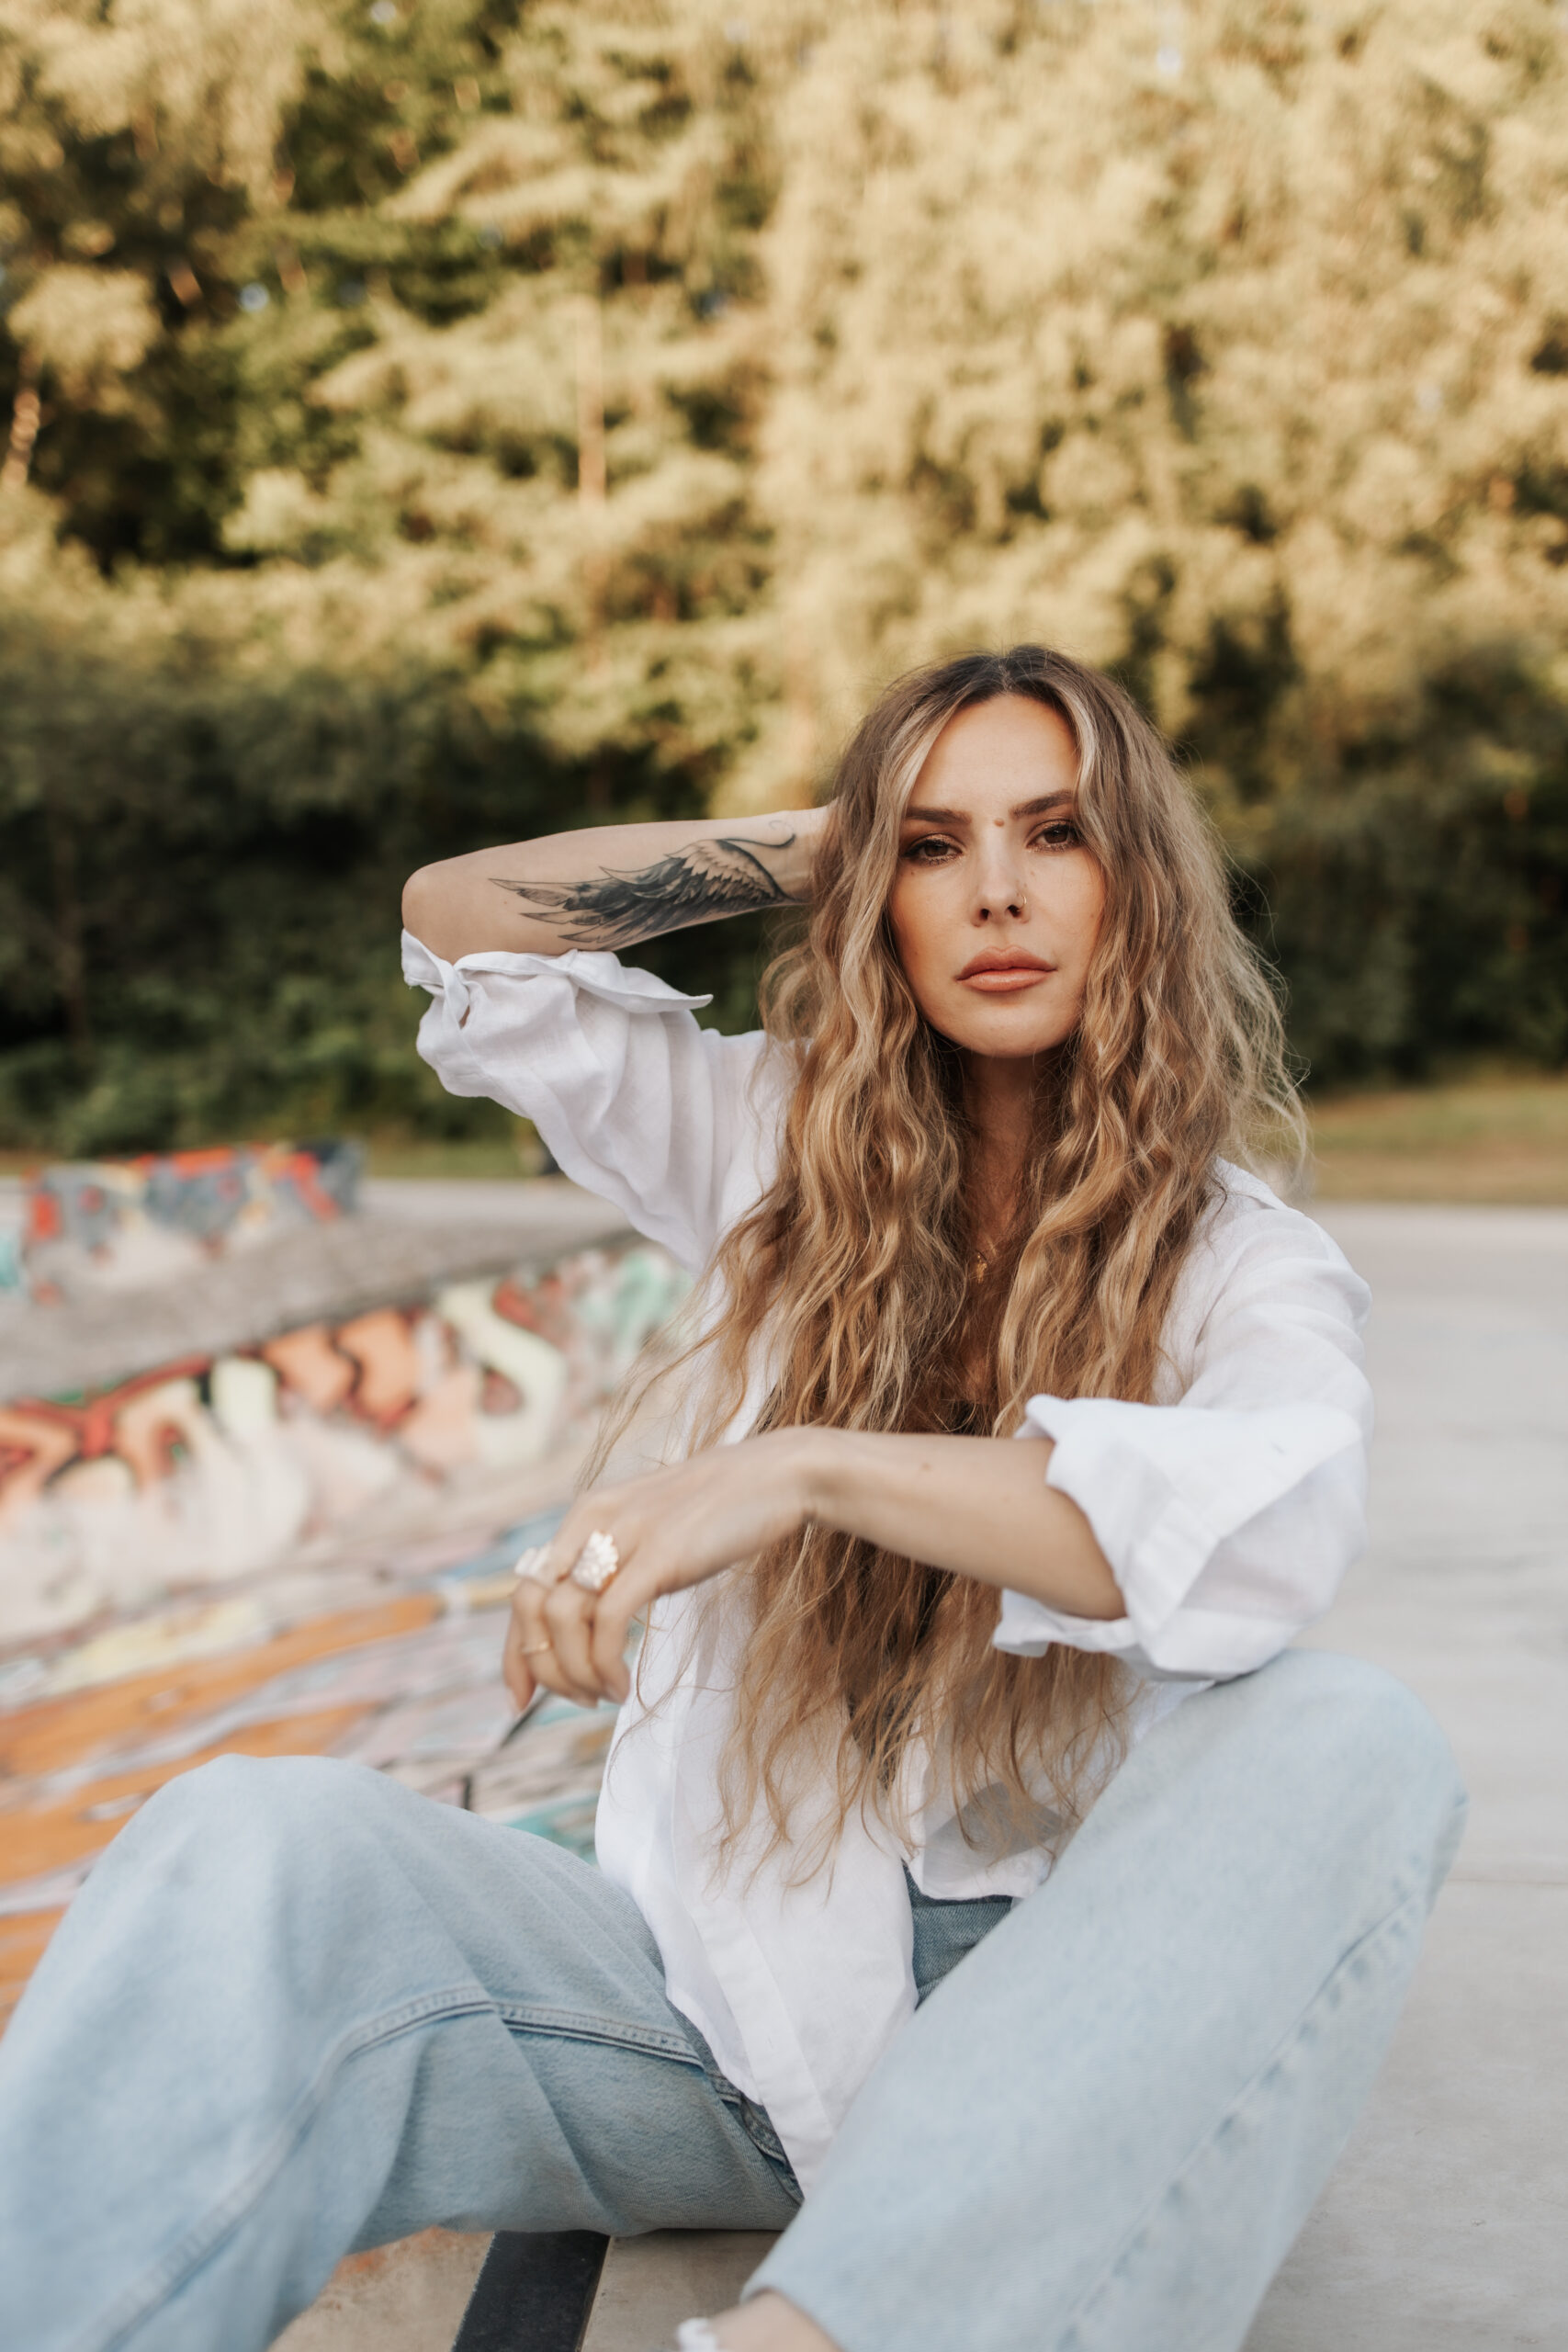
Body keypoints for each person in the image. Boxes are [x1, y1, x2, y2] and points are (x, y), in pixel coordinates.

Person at [0, 648, 1464, 2352]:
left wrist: (798, 1466)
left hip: (1056, 2041)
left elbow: (1266, 1528)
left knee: (1352, 1738)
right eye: (936, 848)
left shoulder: (1240, 1265)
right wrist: (827, 839)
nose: (997, 892)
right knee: (251, 1841)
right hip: (710, 2020)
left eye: (1058, 833)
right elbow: (466, 927)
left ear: (1138, 881)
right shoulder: (771, 1149)